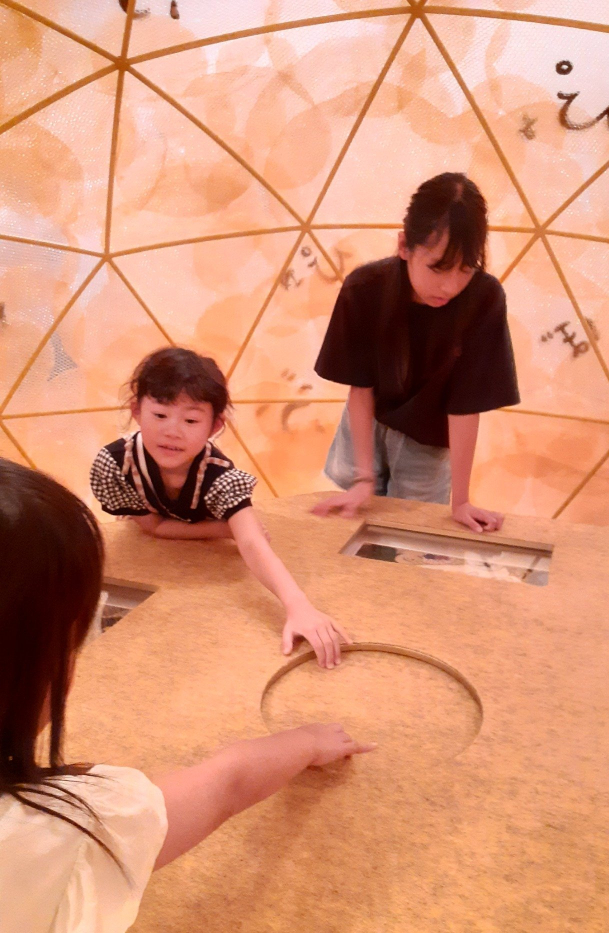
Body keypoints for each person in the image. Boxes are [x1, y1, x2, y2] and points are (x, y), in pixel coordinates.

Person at [0, 458, 375, 933]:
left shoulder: (220, 478)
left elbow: (245, 537)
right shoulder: (65, 831)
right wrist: (309, 741)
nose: (172, 430)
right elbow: (224, 784)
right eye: (72, 642)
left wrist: (293, 599)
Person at [90, 347, 348, 669]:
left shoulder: (219, 477)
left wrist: (299, 606)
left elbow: (252, 542)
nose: (172, 431)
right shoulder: (115, 464)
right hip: (155, 566)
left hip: (213, 573)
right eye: (159, 415)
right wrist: (223, 530)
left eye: (191, 420)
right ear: (137, 411)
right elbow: (151, 527)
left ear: (214, 426)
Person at [313, 172, 520, 534]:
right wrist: (363, 478)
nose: (450, 285)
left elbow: (465, 405)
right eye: (438, 267)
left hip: (429, 436)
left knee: (409, 534)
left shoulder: (484, 299)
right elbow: (361, 388)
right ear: (404, 246)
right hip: (367, 418)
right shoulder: (365, 288)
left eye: (465, 269)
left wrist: (461, 501)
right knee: (350, 526)